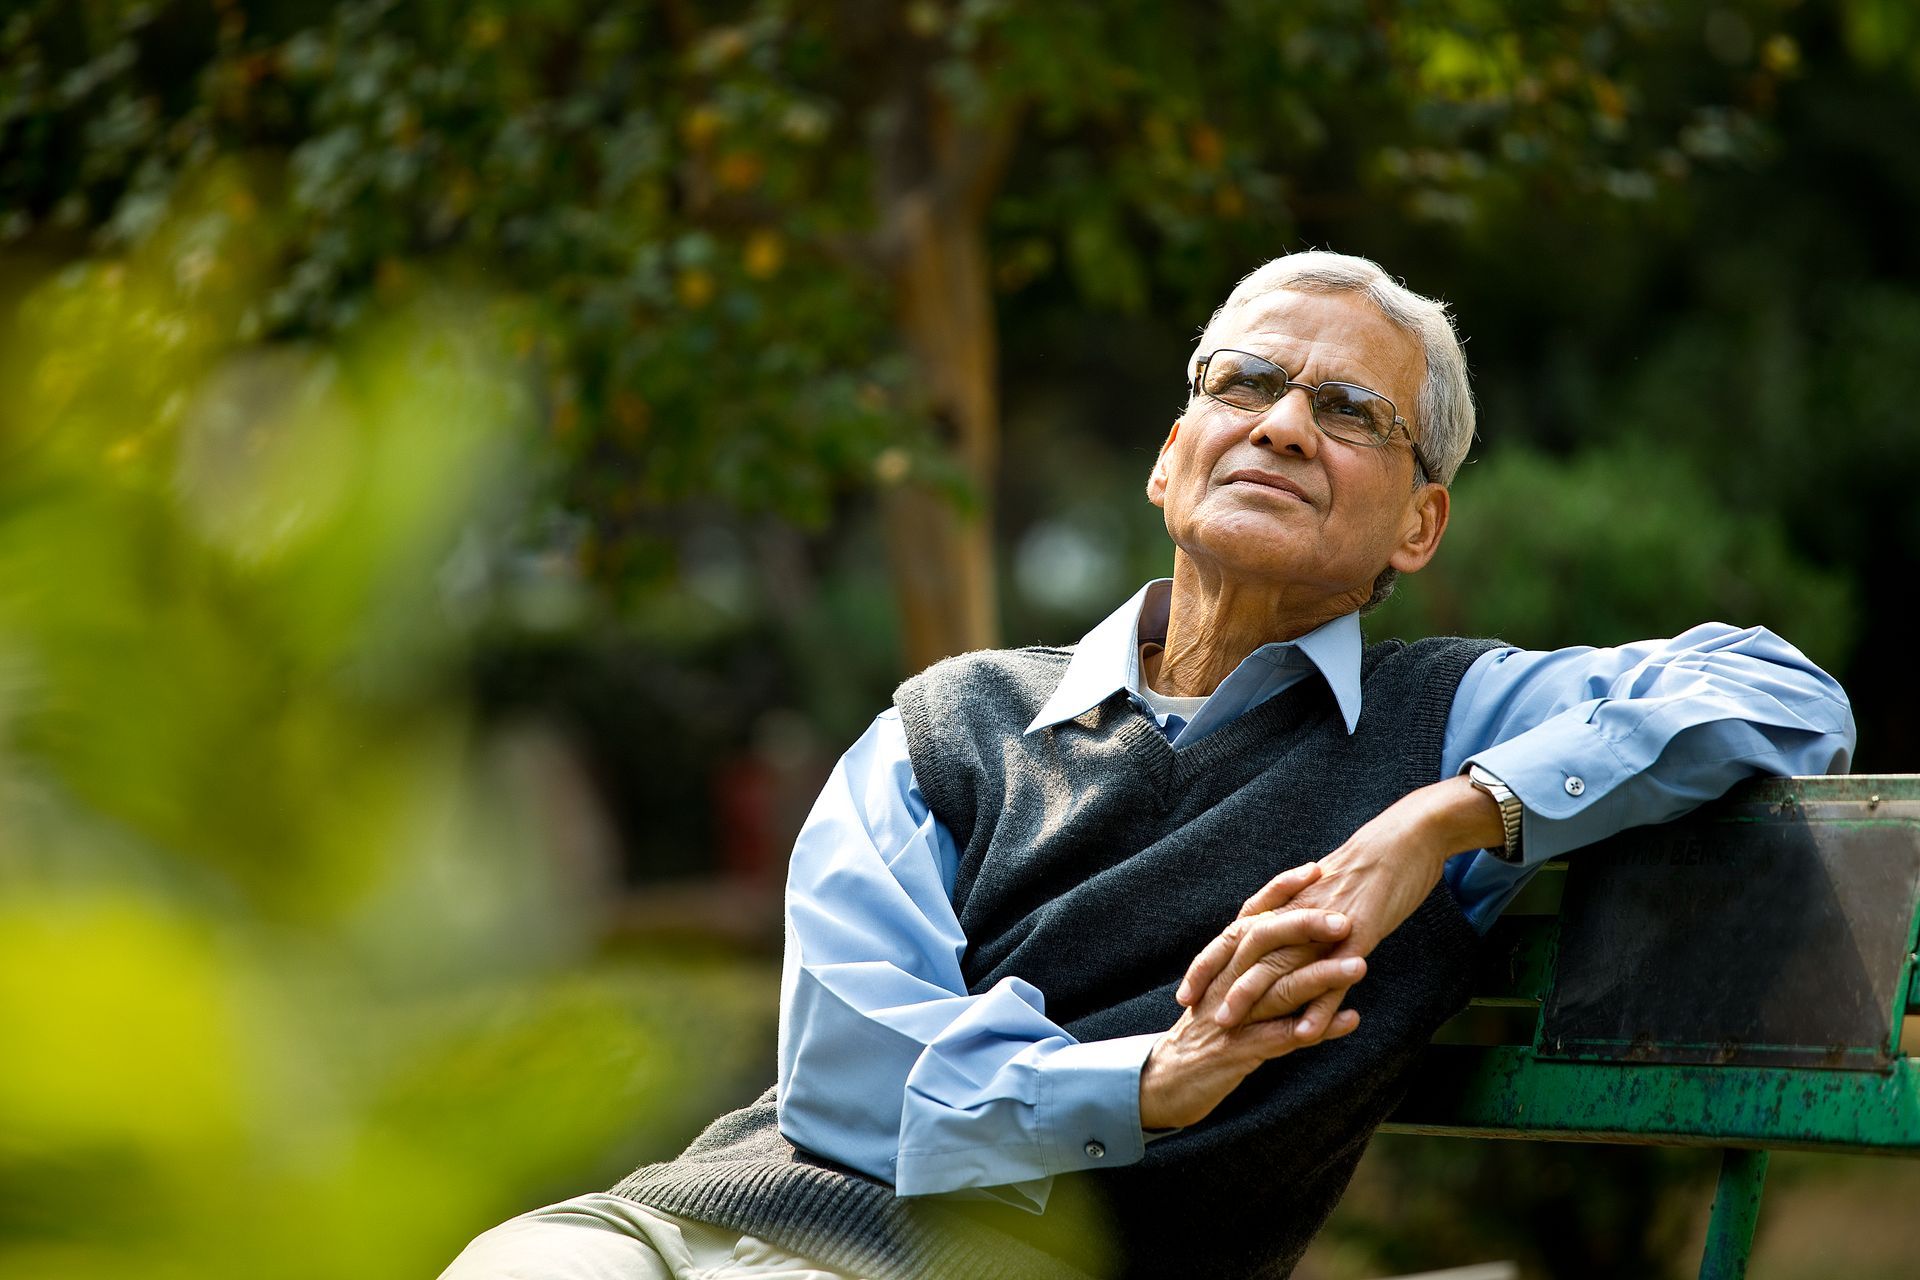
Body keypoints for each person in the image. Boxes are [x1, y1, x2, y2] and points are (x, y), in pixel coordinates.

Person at [439, 251, 1855, 1280]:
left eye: (1352, 412)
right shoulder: (955, 721)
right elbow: (852, 1071)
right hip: (693, 1232)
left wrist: (1443, 819)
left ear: (1418, 528)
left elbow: (1779, 693)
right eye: (1247, 383)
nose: (1287, 423)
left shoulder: (1460, 720)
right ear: (1174, 457)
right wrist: (1147, 1082)